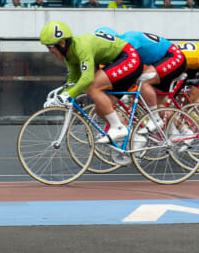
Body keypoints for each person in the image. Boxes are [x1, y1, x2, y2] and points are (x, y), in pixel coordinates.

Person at [39, 22, 142, 161]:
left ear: (62, 43)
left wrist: (67, 95)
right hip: (118, 62)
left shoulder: (81, 46)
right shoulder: (69, 55)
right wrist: (60, 94)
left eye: (50, 46)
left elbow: (87, 78)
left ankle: (118, 127)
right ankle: (134, 140)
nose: (48, 50)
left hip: (129, 58)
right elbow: (74, 78)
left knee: (92, 87)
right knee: (101, 108)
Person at [94, 27, 184, 113]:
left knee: (144, 80)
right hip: (160, 62)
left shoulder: (127, 41)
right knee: (160, 107)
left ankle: (154, 117)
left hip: (173, 56)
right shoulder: (121, 43)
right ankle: (181, 129)